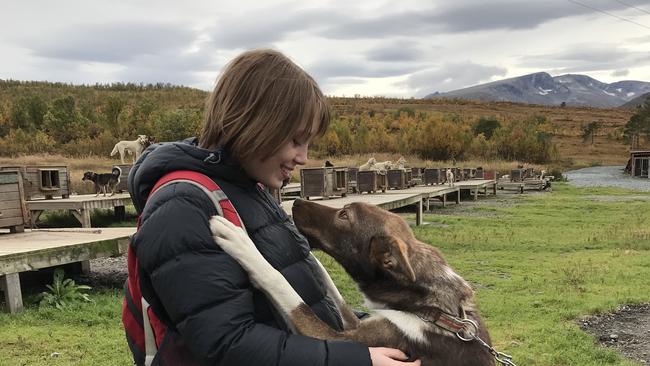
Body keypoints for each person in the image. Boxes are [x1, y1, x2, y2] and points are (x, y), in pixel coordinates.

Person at [127, 49, 420, 365]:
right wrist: (358, 360)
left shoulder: (250, 190)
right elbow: (228, 345)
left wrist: (399, 336)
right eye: (296, 140)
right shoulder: (181, 208)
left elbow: (308, 302)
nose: (304, 157)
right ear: (254, 123)